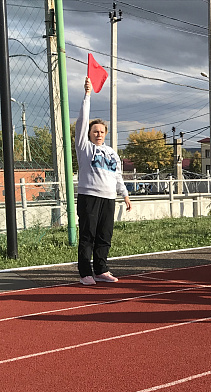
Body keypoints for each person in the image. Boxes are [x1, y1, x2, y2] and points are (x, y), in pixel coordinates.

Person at [75, 76, 132, 285]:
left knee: (104, 235)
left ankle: (101, 269)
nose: (98, 134)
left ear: (105, 133)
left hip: (109, 198)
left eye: (101, 132)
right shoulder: (85, 148)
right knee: (87, 235)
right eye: (94, 131)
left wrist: (125, 195)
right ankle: (85, 273)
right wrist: (87, 95)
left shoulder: (112, 153)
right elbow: (82, 122)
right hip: (89, 196)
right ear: (89, 134)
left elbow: (117, 175)